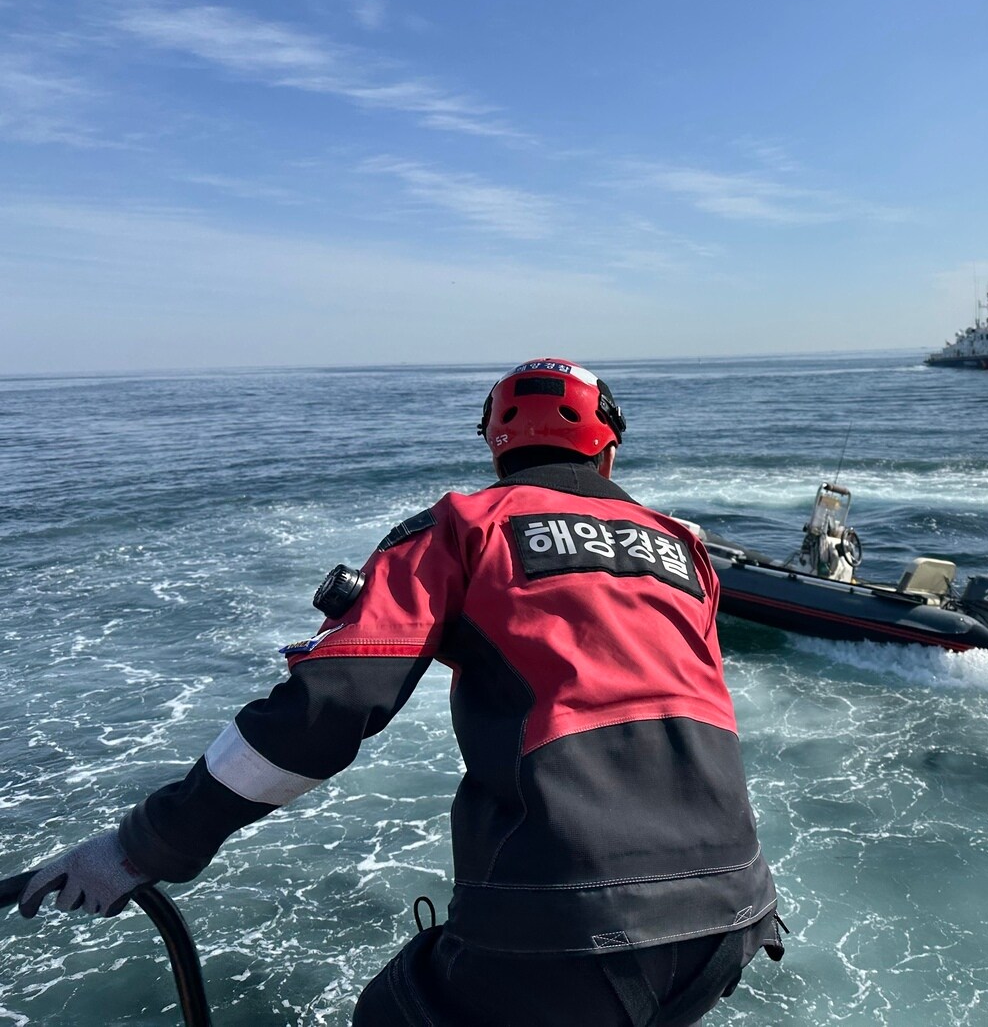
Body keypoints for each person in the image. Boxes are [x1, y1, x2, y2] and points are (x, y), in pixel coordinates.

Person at [19, 357, 783, 1025]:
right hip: (733, 914)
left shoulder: (460, 527)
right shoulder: (684, 548)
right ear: (607, 449)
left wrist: (147, 843)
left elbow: (327, 708)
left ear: (496, 440)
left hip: (575, 916)